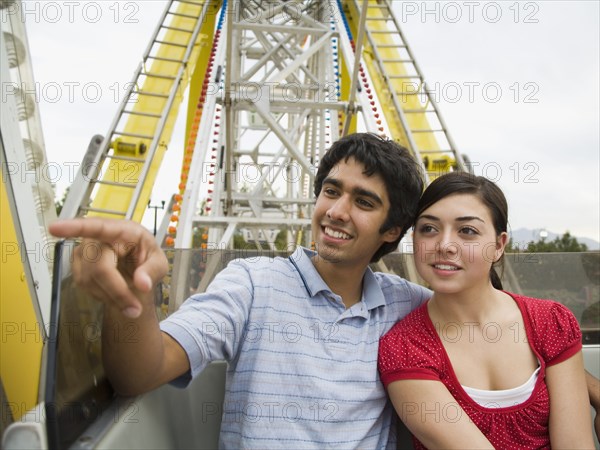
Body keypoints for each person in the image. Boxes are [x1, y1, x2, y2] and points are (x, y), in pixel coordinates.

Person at [49, 132, 431, 449]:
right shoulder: (251, 283)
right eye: (332, 191)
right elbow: (143, 372)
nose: (336, 211)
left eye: (363, 202)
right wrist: (133, 292)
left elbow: (481, 322)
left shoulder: (406, 304)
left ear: (392, 230)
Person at [378, 171, 596, 449]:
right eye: (429, 229)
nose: (445, 245)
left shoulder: (551, 322)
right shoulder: (405, 347)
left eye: (467, 231)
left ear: (498, 246)